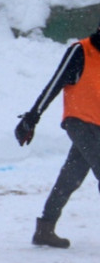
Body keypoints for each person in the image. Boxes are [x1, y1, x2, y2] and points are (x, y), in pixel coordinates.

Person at [13, 15, 100, 248]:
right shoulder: (81, 51)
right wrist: (32, 118)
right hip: (80, 122)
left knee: (70, 177)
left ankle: (45, 229)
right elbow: (55, 84)